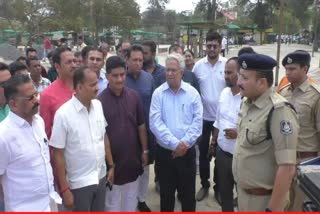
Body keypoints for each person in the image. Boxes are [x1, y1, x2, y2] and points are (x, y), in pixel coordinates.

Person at [233, 53, 298, 211]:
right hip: (244, 196)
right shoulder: (247, 102)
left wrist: (272, 209)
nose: (238, 82)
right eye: (239, 77)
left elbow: (288, 167)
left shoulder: (279, 111)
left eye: (244, 78)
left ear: (262, 83)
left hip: (264, 201)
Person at [49, 66, 113, 211]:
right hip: (79, 184)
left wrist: (111, 166)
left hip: (101, 177)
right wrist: (65, 190)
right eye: (92, 85)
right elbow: (57, 154)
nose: (97, 87)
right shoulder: (63, 114)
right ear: (79, 87)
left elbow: (103, 137)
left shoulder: (98, 106)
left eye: (97, 83)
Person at [149, 54, 203, 211]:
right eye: (167, 70)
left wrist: (184, 144)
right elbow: (155, 123)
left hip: (187, 154)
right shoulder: (158, 93)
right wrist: (175, 145)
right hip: (165, 155)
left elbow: (197, 122)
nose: (169, 73)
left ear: (182, 73)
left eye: (173, 70)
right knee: (166, 196)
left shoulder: (192, 93)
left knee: (187, 196)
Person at [0, 74, 61, 211]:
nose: (36, 100)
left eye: (36, 94)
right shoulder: (3, 136)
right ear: (13, 104)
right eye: (30, 98)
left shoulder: (38, 121)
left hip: (49, 203)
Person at [98, 56, 148, 211]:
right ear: (107, 76)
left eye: (122, 75)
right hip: (112, 164)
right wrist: (109, 163)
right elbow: (100, 136)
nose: (119, 79)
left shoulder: (134, 96)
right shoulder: (99, 102)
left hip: (132, 160)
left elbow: (141, 126)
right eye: (115, 76)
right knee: (111, 203)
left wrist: (145, 151)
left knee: (130, 200)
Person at [278, 50, 320, 211]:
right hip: (284, 160)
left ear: (305, 69)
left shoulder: (316, 96)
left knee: (300, 206)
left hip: (306, 162)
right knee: (284, 205)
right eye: (286, 69)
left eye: (292, 69)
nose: (287, 73)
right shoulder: (283, 92)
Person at [193, 31, 227, 202]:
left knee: (221, 156)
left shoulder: (227, 65)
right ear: (205, 46)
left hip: (223, 121)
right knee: (204, 154)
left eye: (215, 46)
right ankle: (204, 185)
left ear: (221, 47)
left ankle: (218, 188)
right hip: (204, 119)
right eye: (209, 46)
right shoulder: (198, 66)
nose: (212, 49)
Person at [125, 45, 155, 212]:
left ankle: (141, 199)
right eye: (134, 60)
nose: (138, 63)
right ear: (127, 60)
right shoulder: (121, 78)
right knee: (128, 167)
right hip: (127, 132)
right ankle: (129, 200)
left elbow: (154, 105)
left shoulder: (149, 79)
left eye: (140, 60)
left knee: (144, 167)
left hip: (146, 132)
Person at [209, 57, 241, 211]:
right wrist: (213, 143)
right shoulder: (224, 93)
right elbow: (217, 121)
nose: (226, 76)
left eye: (230, 73)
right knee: (225, 194)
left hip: (240, 158)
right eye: (225, 72)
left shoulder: (248, 98)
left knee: (242, 197)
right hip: (222, 155)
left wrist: (238, 133)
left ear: (240, 73)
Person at [40, 47, 76, 139]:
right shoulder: (47, 95)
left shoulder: (83, 88)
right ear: (57, 66)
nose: (73, 65)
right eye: (68, 62)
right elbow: (46, 132)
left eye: (74, 61)